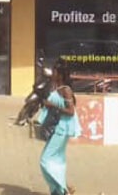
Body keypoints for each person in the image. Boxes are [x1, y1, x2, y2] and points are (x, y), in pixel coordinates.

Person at [38, 59, 81, 195]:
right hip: (57, 127)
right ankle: (58, 191)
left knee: (45, 160)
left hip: (61, 129)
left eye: (55, 72)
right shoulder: (57, 87)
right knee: (57, 159)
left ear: (60, 74)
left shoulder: (66, 90)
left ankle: (63, 188)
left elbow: (71, 111)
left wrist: (52, 105)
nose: (53, 74)